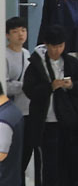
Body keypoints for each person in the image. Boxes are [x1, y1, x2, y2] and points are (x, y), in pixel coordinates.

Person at [24, 25, 78, 186]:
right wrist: (50, 87)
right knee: (50, 168)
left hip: (71, 125)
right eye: (53, 47)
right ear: (46, 45)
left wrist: (72, 86)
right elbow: (29, 90)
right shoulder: (36, 65)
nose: (57, 50)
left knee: (74, 166)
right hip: (47, 125)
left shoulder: (71, 63)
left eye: (60, 46)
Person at [2, 19, 30, 175]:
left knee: (25, 150)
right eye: (15, 31)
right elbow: (4, 85)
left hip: (27, 110)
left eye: (23, 30)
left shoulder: (26, 53)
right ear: (7, 35)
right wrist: (24, 86)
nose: (20, 34)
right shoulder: (4, 56)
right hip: (12, 112)